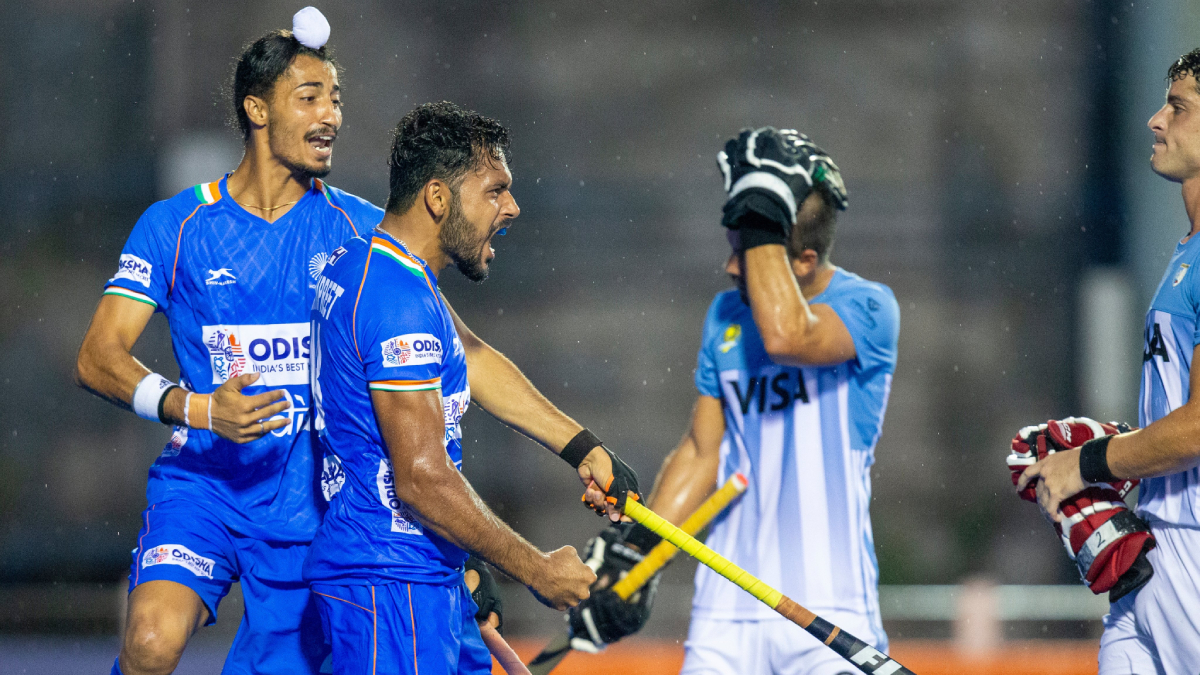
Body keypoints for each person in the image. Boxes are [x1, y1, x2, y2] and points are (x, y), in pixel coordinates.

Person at [74, 10, 379, 674]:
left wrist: (572, 442)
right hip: (205, 487)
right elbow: (98, 356)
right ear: (257, 109)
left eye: (336, 98)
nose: (330, 114)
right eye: (309, 97)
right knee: (150, 643)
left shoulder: (365, 232)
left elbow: (453, 354)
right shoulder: (176, 224)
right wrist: (201, 409)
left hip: (314, 509)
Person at [304, 100, 641, 675]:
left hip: (419, 572)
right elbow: (421, 478)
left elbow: (475, 358)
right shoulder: (397, 301)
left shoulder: (378, 267)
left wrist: (581, 447)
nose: (512, 207)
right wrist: (536, 570)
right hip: (394, 583)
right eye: (495, 190)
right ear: (438, 198)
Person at [569, 127, 899, 675]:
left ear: (803, 260)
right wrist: (639, 550)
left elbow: (787, 336)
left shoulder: (869, 307)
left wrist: (763, 208)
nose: (729, 268)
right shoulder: (724, 315)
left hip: (830, 611)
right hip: (725, 613)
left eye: (746, 255)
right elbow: (702, 452)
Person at [1017, 50, 1200, 675]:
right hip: (1154, 547)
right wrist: (1132, 450)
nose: (1156, 120)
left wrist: (1086, 464)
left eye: (1178, 107)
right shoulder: (1187, 252)